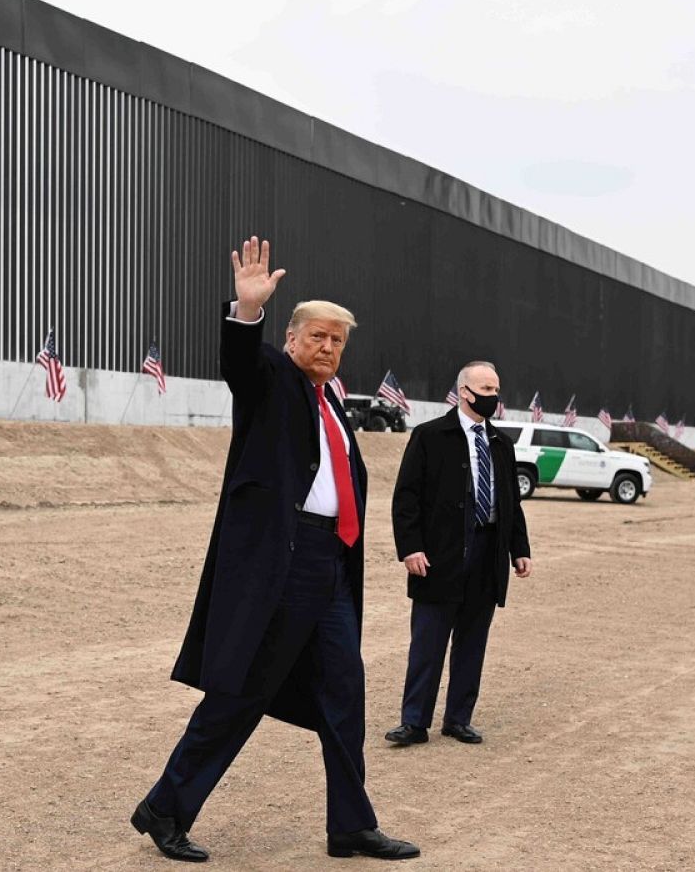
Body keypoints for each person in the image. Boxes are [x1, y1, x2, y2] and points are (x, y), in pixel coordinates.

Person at [132, 237, 419, 863]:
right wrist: (247, 310)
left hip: (329, 568)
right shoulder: (270, 382)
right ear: (291, 340)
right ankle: (165, 807)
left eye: (338, 341)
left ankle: (350, 825)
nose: (328, 348)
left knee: (345, 693)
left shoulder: (337, 405)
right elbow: (240, 361)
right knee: (241, 695)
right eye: (317, 336)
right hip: (279, 569)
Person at [386, 361, 531, 747]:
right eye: (485, 390)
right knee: (428, 643)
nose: (493, 397)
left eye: (496, 389)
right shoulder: (430, 436)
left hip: (488, 554)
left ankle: (458, 719)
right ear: (464, 392)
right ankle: (414, 723)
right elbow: (406, 498)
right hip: (440, 555)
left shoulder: (502, 444)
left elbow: (511, 502)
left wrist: (520, 548)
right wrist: (411, 548)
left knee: (472, 643)